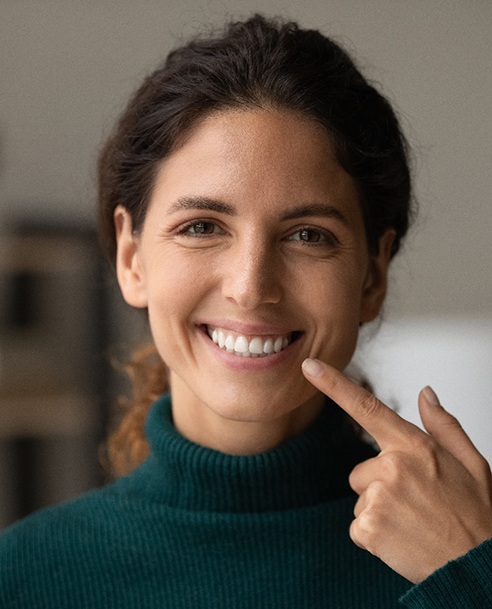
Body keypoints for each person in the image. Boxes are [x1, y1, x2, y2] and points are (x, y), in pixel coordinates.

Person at [1, 14, 491, 608]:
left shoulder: (465, 559)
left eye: (308, 235)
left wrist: (470, 577)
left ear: (373, 273)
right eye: (202, 227)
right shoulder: (23, 578)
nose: (251, 286)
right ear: (132, 258)